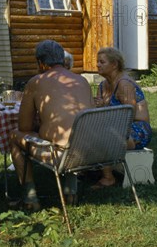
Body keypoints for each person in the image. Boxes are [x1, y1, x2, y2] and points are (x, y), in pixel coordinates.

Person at [9, 40, 95, 210]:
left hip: (62, 155)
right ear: (62, 59)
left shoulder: (36, 82)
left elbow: (24, 127)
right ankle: (71, 192)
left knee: (14, 136)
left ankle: (30, 199)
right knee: (72, 136)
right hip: (93, 151)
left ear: (40, 63)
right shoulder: (81, 80)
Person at [93, 47, 152, 188]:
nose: (98, 65)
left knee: (103, 137)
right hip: (114, 126)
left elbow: (128, 115)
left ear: (114, 65)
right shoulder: (102, 86)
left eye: (102, 62)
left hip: (136, 129)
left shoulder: (124, 84)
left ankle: (108, 178)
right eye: (97, 62)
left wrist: (104, 110)